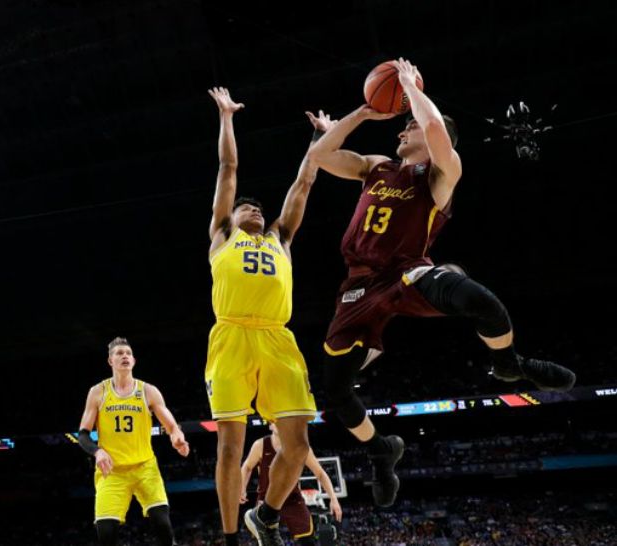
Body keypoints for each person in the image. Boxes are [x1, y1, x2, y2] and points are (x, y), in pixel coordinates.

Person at [307, 57, 576, 507]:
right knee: (334, 390)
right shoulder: (375, 166)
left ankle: (510, 364)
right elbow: (319, 156)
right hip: (356, 286)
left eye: (407, 126)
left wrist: (411, 88)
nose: (400, 131)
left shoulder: (438, 175)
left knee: (482, 301)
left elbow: (435, 131)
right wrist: (363, 113)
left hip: (405, 271)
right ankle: (381, 450)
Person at [205, 87, 324, 546]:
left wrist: (319, 139)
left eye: (257, 207)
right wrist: (227, 117)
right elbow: (228, 169)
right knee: (231, 447)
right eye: (245, 208)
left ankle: (267, 516)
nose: (253, 208)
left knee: (297, 448)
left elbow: (305, 182)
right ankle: (232, 538)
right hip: (232, 337)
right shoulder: (221, 235)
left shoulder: (281, 238)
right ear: (230, 220)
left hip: (278, 338)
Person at [77, 337, 190, 546]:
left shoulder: (148, 390)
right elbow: (83, 434)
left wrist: (177, 436)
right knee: (106, 534)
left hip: (145, 467)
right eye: (119, 353)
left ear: (134, 361)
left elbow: (171, 425)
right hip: (112, 472)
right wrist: (97, 451)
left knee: (163, 525)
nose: (124, 356)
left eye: (128, 353)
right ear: (110, 361)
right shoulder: (98, 392)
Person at [240, 425, 343, 545]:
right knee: (266, 539)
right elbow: (247, 466)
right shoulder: (260, 445)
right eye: (275, 420)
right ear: (270, 425)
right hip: (267, 499)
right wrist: (241, 488)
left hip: (292, 499)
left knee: (308, 540)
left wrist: (333, 499)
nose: (279, 422)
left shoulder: (301, 446)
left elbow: (320, 473)